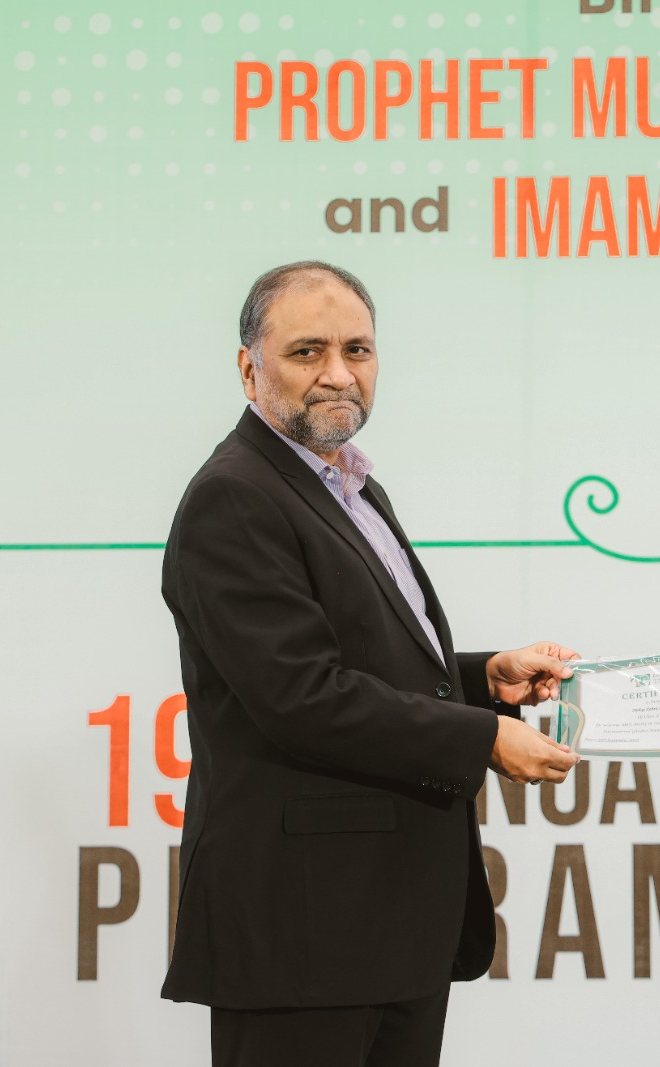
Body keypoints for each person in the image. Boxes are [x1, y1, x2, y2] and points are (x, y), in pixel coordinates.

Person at [159, 260, 581, 1067]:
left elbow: (360, 656)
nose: (338, 373)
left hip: (387, 926)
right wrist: (484, 737)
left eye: (357, 349)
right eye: (307, 351)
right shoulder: (235, 496)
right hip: (303, 934)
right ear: (249, 368)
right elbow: (302, 695)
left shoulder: (347, 485)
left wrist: (482, 678)